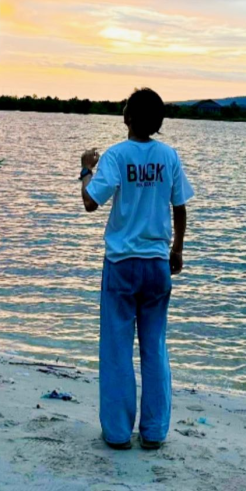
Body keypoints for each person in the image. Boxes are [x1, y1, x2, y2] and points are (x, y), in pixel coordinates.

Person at [79, 87, 194, 450]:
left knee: (116, 349)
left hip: (121, 264)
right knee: (154, 347)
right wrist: (176, 248)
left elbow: (89, 202)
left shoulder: (115, 155)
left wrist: (85, 168)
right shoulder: (169, 156)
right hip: (156, 264)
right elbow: (180, 207)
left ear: (127, 117)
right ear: (158, 123)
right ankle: (155, 431)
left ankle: (116, 432)